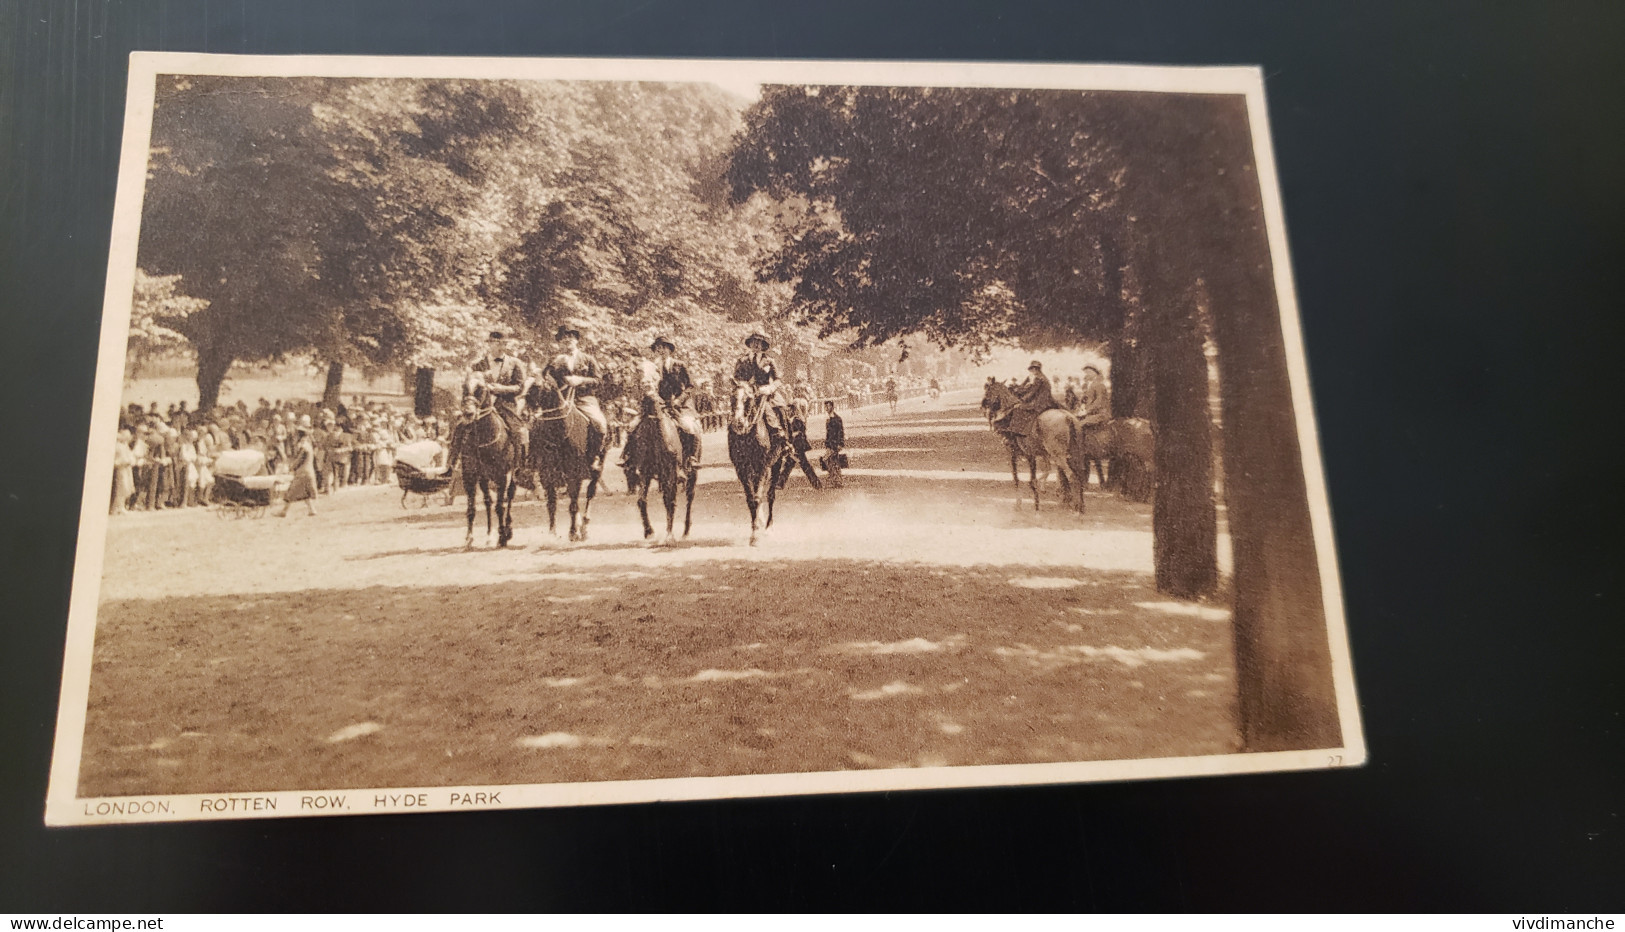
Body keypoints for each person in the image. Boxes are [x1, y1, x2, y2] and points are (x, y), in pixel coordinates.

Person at [619, 336, 701, 470]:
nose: (660, 351)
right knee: (633, 426)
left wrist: (678, 400)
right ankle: (627, 456)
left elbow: (691, 386)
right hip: (658, 404)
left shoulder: (679, 365)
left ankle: (691, 457)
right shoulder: (652, 367)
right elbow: (646, 385)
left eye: (663, 347)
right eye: (657, 348)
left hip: (680, 405)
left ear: (669, 349)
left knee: (689, 427)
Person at [542, 325, 608, 465]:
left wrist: (581, 380)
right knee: (536, 424)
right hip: (560, 400)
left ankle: (595, 456)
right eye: (564, 337)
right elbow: (544, 376)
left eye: (571, 336)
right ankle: (535, 463)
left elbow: (598, 380)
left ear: (576, 340)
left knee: (600, 424)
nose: (567, 339)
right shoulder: (555, 360)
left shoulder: (588, 359)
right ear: (560, 341)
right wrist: (547, 379)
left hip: (584, 399)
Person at [469, 330, 531, 462]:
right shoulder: (477, 364)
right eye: (494, 343)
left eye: (502, 344)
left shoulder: (515, 363)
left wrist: (501, 389)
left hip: (505, 406)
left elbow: (520, 387)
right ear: (489, 344)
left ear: (506, 346)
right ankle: (452, 463)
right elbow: (470, 386)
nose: (498, 347)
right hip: (481, 407)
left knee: (518, 432)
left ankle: (519, 467)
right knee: (461, 426)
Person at [732, 332, 790, 447]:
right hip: (747, 391)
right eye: (753, 342)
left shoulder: (769, 361)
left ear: (763, 345)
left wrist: (771, 387)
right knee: (737, 407)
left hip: (766, 393)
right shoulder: (742, 361)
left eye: (759, 342)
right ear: (750, 344)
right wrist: (744, 385)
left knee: (780, 410)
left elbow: (778, 379)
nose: (756, 345)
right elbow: (736, 377)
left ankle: (784, 440)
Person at [997, 360, 1059, 437]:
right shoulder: (1042, 377)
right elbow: (1030, 390)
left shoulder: (1038, 379)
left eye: (1032, 369)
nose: (1031, 371)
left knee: (1017, 409)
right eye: (1031, 370)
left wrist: (1021, 400)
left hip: (1039, 402)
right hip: (1046, 401)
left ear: (1036, 369)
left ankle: (1018, 431)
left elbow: (1032, 392)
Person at [276, 415, 319, 517]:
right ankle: (312, 510)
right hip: (308, 472)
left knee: (291, 493)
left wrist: (291, 468)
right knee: (305, 493)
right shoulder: (307, 444)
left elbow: (300, 460)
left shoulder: (303, 446)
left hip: (303, 473)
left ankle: (284, 512)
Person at [821, 400, 846, 488]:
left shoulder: (837, 418)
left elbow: (840, 432)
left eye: (828, 406)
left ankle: (836, 480)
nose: (827, 408)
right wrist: (826, 443)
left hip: (835, 444)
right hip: (830, 444)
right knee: (832, 461)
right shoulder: (829, 419)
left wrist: (841, 443)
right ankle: (836, 480)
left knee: (829, 460)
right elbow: (828, 433)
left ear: (832, 407)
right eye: (826, 407)